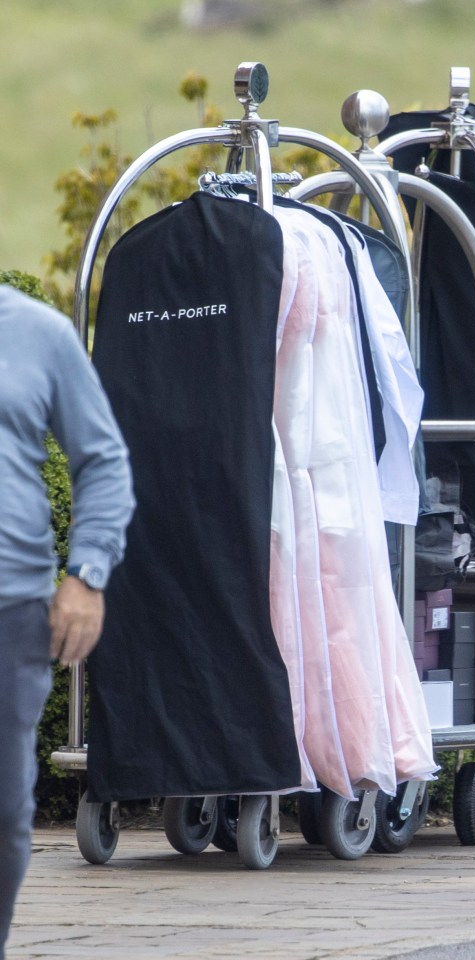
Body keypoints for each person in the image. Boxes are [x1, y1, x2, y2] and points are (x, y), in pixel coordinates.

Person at [0, 282, 134, 959]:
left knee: (3, 808)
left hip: (10, 609)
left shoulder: (38, 333)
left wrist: (85, 575)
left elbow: (103, 459)